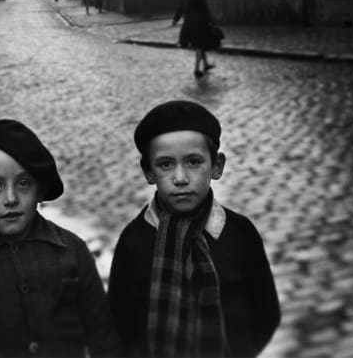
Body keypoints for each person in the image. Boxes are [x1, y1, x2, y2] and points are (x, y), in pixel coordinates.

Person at [0, 119, 119, 358]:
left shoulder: (72, 251)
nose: (11, 198)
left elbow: (103, 335)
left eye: (24, 183)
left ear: (40, 191)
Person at [108, 100, 280, 358]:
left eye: (193, 162)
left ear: (217, 166)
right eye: (165, 164)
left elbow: (265, 313)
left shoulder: (240, 234)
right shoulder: (135, 241)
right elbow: (119, 325)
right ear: (148, 172)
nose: (180, 178)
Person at [172, 0, 217, 78]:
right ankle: (197, 69)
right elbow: (203, 6)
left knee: (200, 44)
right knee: (200, 46)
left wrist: (175, 19)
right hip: (199, 24)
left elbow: (180, 7)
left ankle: (205, 65)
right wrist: (211, 20)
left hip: (188, 25)